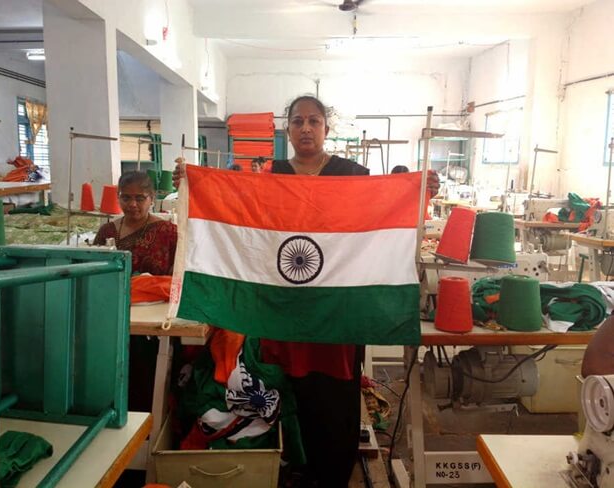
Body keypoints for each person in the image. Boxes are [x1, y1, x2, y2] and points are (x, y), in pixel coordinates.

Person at [173, 95, 439, 487]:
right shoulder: (272, 176)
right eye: (298, 121)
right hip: (285, 307)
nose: (306, 128)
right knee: (289, 395)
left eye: (314, 121)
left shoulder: (352, 174)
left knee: (335, 400)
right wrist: (193, 184)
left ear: (326, 129)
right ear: (287, 130)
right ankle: (298, 467)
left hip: (337, 308)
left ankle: (332, 475)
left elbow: (382, 217)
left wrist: (421, 192)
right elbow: (242, 217)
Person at [94, 170, 178, 411]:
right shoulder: (107, 232)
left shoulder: (167, 232)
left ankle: (144, 419)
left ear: (152, 198)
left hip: (153, 322)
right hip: (112, 317)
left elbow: (175, 279)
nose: (132, 204)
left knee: (144, 372)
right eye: (125, 197)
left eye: (140, 198)